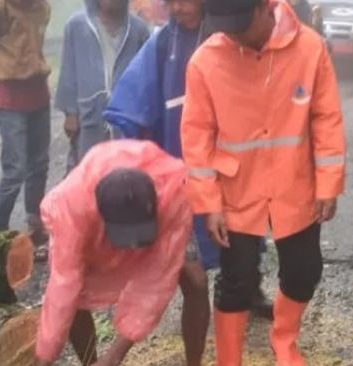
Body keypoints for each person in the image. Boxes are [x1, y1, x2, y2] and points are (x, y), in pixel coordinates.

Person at [103, 0, 274, 364]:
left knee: (240, 246)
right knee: (188, 272)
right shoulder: (164, 44)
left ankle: (247, 293)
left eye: (185, 0)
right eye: (171, 2)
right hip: (183, 171)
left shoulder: (234, 29)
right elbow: (132, 104)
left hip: (235, 167)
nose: (177, 8)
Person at [181, 0, 347, 364]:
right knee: (236, 281)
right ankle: (229, 358)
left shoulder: (309, 48)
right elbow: (197, 139)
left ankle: (284, 341)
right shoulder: (206, 61)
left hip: (295, 184)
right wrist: (209, 205)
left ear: (265, 7)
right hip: (236, 190)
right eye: (224, 25)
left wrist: (328, 182)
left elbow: (326, 118)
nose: (233, 33)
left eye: (241, 22)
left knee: (304, 271)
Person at [35, 140, 192, 366]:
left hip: (165, 208)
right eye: (126, 237)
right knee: (75, 297)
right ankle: (90, 362)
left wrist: (115, 355)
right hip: (82, 215)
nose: (133, 248)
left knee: (194, 279)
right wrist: (45, 357)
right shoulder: (73, 208)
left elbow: (154, 284)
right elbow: (63, 285)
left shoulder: (174, 194)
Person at [0, 0, 52, 260]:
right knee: (15, 170)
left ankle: (35, 227)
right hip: (9, 95)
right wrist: (4, 63)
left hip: (38, 92)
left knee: (39, 164)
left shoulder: (42, 7)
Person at [55, 0, 150, 172]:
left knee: (124, 173)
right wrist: (71, 113)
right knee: (88, 171)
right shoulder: (77, 26)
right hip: (90, 115)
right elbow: (69, 70)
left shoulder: (139, 30)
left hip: (126, 118)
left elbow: (146, 78)